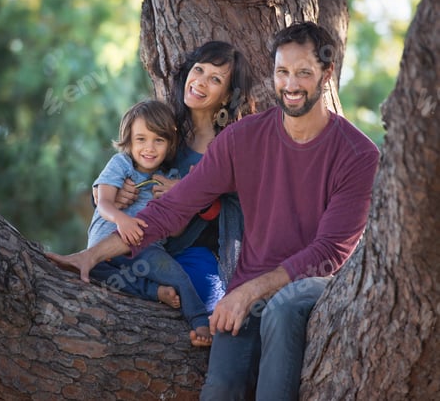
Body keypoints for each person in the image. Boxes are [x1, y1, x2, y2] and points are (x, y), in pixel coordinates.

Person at [48, 21, 379, 399]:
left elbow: (330, 254)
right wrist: (91, 255)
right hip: (246, 291)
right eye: (282, 72)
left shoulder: (359, 155)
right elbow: (172, 209)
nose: (290, 84)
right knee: (221, 387)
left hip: (311, 285)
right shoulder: (242, 139)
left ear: (327, 73)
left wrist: (248, 292)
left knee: (282, 310)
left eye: (303, 73)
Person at [88, 40, 256, 325]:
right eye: (199, 70)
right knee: (101, 268)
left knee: (201, 294)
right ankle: (153, 290)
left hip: (194, 250)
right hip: (145, 240)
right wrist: (116, 192)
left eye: (215, 79)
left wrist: (191, 194)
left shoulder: (230, 145)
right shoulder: (167, 125)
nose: (200, 82)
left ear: (228, 95)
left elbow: (240, 207)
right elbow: (126, 160)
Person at [87, 99, 215, 347]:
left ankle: (200, 322)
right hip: (106, 245)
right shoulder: (121, 164)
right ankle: (153, 292)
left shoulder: (170, 178)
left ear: (169, 145)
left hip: (147, 249)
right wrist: (122, 220)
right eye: (141, 139)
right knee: (96, 273)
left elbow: (176, 231)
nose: (150, 148)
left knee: (176, 275)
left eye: (159, 140)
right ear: (129, 141)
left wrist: (179, 201)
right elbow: (103, 203)